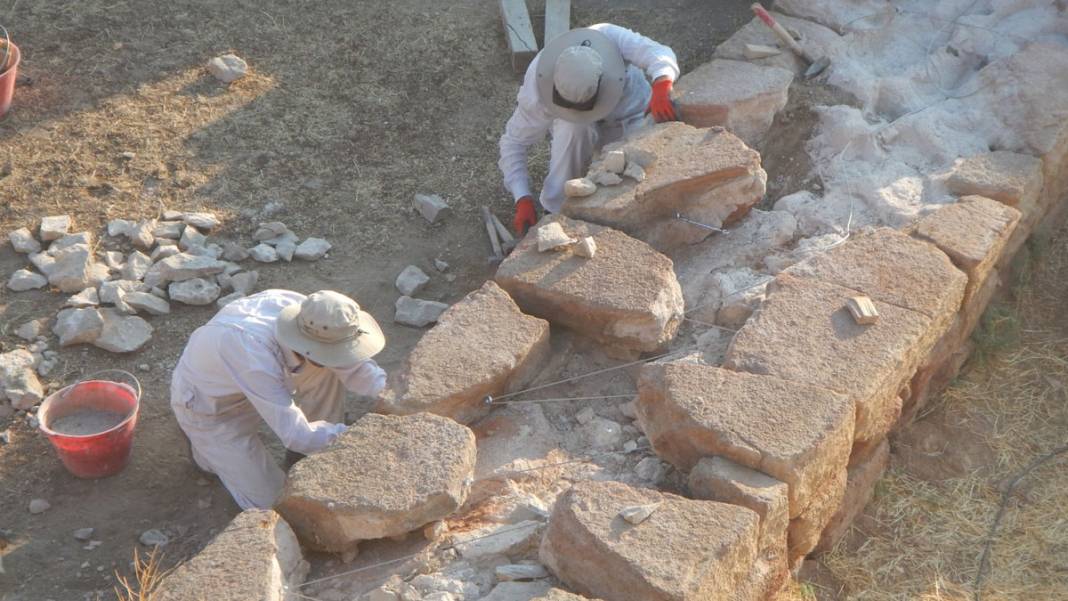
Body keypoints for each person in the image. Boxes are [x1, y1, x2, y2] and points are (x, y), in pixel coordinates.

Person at [170, 289, 387, 510]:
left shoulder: (316, 316)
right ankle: (205, 454)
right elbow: (295, 434)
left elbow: (354, 366)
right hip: (212, 407)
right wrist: (364, 438)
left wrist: (395, 397)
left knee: (326, 369)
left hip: (265, 378)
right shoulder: (252, 352)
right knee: (277, 505)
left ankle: (312, 457)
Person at [499, 23, 680, 235]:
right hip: (580, 129)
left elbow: (658, 52)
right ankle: (556, 209)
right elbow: (514, 142)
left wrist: (661, 83)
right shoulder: (537, 88)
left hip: (633, 116)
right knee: (572, 128)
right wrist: (522, 197)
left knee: (641, 170)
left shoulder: (609, 36)